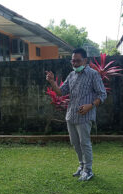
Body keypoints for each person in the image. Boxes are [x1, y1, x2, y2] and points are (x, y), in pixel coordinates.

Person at [45, 48, 107, 181]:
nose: (75, 63)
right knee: (75, 143)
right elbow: (61, 92)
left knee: (84, 143)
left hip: (85, 116)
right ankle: (82, 166)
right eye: (73, 61)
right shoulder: (71, 75)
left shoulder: (93, 74)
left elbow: (102, 94)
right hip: (71, 115)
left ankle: (88, 170)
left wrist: (90, 106)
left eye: (78, 61)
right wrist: (52, 81)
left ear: (85, 60)